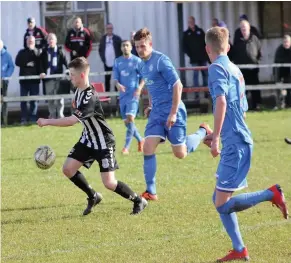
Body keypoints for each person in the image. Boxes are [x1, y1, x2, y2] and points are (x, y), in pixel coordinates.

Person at [204, 26, 288, 262]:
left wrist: (218, 136)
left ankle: (271, 194)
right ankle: (240, 249)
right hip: (238, 138)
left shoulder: (216, 68)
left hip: (235, 144)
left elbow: (221, 102)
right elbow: (240, 108)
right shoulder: (235, 69)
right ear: (228, 47)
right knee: (218, 200)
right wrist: (220, 134)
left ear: (207, 49)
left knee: (221, 204)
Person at [36, 57, 147, 216]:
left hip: (103, 142)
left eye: (72, 75)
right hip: (88, 139)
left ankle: (138, 200)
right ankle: (93, 196)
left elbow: (72, 121)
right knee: (68, 169)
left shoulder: (90, 96)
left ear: (82, 75)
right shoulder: (77, 90)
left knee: (109, 182)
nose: (70, 77)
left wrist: (47, 121)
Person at [134, 28, 212, 201]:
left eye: (143, 46)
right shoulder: (141, 64)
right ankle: (151, 191)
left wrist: (173, 113)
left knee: (180, 153)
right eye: (137, 47)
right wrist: (151, 105)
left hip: (172, 110)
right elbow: (153, 86)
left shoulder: (161, 60)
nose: (140, 50)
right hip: (157, 113)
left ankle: (203, 132)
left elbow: (178, 86)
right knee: (148, 146)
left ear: (150, 44)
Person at [113, 40, 145, 154]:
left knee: (130, 118)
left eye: (127, 45)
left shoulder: (137, 61)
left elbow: (144, 76)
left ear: (131, 47)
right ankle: (141, 140)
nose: (125, 47)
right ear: (121, 48)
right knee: (127, 122)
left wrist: (139, 88)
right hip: (123, 96)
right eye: (123, 45)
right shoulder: (118, 62)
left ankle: (126, 148)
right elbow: (115, 78)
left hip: (133, 95)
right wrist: (118, 85)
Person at [15, 36, 46, 124]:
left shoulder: (38, 52)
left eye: (32, 41)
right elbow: (17, 62)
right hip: (24, 81)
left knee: (34, 101)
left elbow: (41, 63)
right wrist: (26, 63)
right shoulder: (22, 52)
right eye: (29, 41)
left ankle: (33, 118)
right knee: (23, 101)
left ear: (34, 42)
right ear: (26, 42)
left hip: (34, 81)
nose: (30, 42)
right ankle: (24, 118)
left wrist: (42, 72)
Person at [232, 20, 262, 110]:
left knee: (255, 89)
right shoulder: (237, 40)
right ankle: (243, 107)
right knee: (242, 89)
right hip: (242, 70)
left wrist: (257, 61)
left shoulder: (255, 39)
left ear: (249, 28)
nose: (244, 30)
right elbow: (234, 54)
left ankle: (257, 105)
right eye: (242, 28)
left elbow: (259, 51)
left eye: (245, 28)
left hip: (253, 69)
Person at [43, 33, 68, 119]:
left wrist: (68, 71)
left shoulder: (60, 51)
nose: (50, 41)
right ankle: (52, 115)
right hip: (48, 77)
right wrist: (42, 72)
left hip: (58, 77)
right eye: (49, 39)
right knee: (50, 98)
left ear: (56, 41)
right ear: (47, 41)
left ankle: (60, 114)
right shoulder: (45, 51)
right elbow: (41, 64)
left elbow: (66, 62)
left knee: (60, 97)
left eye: (52, 39)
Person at [182, 16, 208, 93]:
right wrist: (190, 55)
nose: (191, 23)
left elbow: (206, 42)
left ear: (194, 21)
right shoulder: (186, 33)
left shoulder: (200, 31)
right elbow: (184, 47)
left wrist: (206, 53)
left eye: (192, 21)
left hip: (203, 57)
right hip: (194, 59)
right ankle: (196, 93)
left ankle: (206, 93)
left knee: (205, 74)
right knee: (195, 75)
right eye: (189, 22)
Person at [99, 23, 122, 92]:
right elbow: (100, 50)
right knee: (107, 79)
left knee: (116, 79)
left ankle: (117, 96)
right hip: (107, 63)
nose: (109, 30)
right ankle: (107, 97)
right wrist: (103, 59)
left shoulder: (117, 38)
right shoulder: (103, 39)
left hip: (116, 62)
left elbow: (121, 49)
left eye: (111, 28)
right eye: (108, 28)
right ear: (106, 29)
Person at [274, 35, 291, 108]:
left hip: (290, 73)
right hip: (281, 73)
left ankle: (289, 104)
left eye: (287, 42)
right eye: (285, 42)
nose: (286, 43)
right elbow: (277, 61)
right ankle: (280, 105)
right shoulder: (279, 50)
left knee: (289, 90)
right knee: (280, 90)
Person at [0, 40, 15, 124]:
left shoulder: (7, 55)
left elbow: (11, 66)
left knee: (4, 101)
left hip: (3, 81)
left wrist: (6, 76)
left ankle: (4, 120)